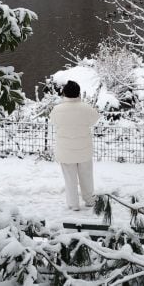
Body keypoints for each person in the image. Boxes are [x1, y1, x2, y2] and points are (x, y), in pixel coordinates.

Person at [48, 80, 100, 211]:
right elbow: (95, 119)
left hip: (65, 151)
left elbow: (53, 121)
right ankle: (89, 200)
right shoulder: (86, 108)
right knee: (86, 175)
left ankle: (73, 204)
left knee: (70, 179)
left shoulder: (57, 110)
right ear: (78, 93)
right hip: (84, 149)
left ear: (64, 93)